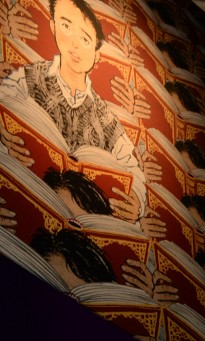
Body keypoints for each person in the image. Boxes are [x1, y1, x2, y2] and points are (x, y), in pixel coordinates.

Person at [0, 0, 145, 221]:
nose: (75, 44)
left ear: (96, 56)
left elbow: (133, 168)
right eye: (66, 26)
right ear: (53, 27)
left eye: (85, 39)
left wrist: (138, 202)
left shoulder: (106, 118)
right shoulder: (28, 78)